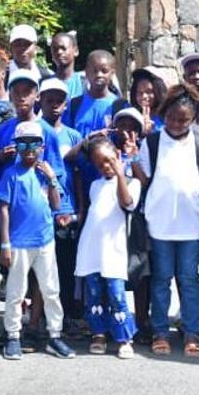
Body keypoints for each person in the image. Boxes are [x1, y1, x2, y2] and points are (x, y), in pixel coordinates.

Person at [133, 84, 199, 357]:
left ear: (193, 119)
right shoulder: (152, 143)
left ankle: (192, 331)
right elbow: (143, 180)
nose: (177, 124)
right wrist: (131, 159)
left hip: (192, 226)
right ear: (163, 113)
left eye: (184, 120)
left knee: (190, 279)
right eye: (172, 118)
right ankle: (160, 331)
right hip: (159, 225)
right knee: (161, 279)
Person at [0, 121, 76, 360]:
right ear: (16, 146)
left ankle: (55, 335)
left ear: (42, 146)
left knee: (51, 289)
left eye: (35, 143)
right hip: (19, 242)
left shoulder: (44, 172)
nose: (29, 148)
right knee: (16, 291)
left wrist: (51, 179)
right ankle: (13, 336)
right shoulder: (11, 174)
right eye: (23, 143)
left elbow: (56, 205)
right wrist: (5, 243)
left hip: (45, 241)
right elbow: (4, 209)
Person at [74, 137, 141, 358]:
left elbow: (127, 203)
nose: (106, 166)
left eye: (110, 160)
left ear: (118, 156)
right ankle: (99, 334)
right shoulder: (95, 185)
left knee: (116, 294)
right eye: (100, 163)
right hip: (92, 249)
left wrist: (121, 174)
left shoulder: (132, 183)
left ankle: (124, 338)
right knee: (93, 294)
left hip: (114, 251)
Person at [37, 78, 82, 330]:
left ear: (66, 105)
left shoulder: (73, 135)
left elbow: (76, 174)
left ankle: (65, 316)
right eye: (49, 100)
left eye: (59, 101)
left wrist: (77, 208)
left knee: (66, 266)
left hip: (67, 209)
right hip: (42, 209)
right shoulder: (35, 129)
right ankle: (42, 316)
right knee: (43, 267)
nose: (54, 105)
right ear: (40, 102)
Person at [49, 31, 84, 99]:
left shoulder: (85, 83)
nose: (59, 52)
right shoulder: (45, 83)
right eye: (55, 49)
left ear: (76, 51)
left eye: (63, 48)